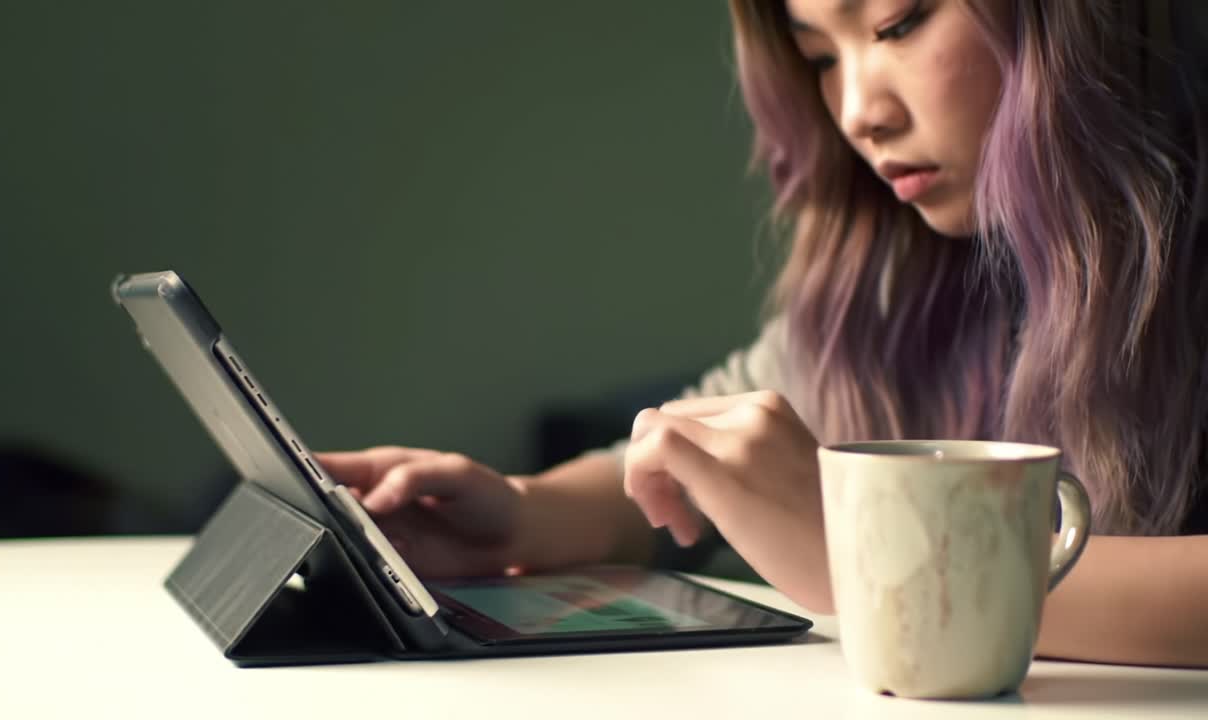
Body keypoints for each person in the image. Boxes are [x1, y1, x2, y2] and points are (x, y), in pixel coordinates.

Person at [319, 0, 1208, 668]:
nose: (857, 112)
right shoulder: (898, 289)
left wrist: (869, 562)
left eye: (896, 24)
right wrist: (520, 517)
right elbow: (687, 451)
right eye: (819, 56)